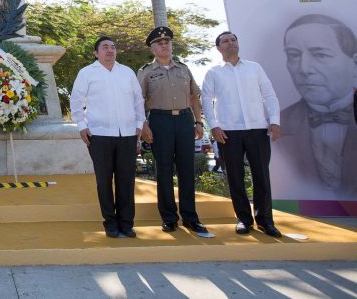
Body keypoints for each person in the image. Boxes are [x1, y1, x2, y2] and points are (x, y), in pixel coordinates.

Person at [202, 31, 283, 237]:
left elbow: (269, 94)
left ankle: (265, 220)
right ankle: (244, 219)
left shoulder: (255, 68)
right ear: (219, 48)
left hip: (258, 129)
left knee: (261, 176)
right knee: (235, 177)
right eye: (225, 42)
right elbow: (206, 101)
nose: (230, 44)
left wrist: (274, 121)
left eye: (233, 40)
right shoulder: (214, 72)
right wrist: (214, 126)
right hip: (229, 132)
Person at [70, 36, 145, 238]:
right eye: (105, 47)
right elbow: (76, 100)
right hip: (99, 134)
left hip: (127, 133)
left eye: (113, 46)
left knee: (126, 180)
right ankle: (110, 223)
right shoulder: (87, 73)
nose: (110, 50)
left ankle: (126, 223)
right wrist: (81, 125)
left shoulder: (127, 72)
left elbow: (138, 100)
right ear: (96, 53)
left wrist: (139, 124)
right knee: (104, 181)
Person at [137, 26, 207, 234]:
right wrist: (144, 124)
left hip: (185, 119)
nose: (164, 45)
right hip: (159, 120)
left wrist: (198, 122)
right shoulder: (145, 72)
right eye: (159, 43)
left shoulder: (184, 69)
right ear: (152, 49)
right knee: (164, 170)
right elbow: (138, 100)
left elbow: (194, 97)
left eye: (167, 42)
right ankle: (168, 217)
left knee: (187, 169)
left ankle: (190, 217)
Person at [278, 14, 357, 196]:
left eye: (320, 54)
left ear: (354, 63)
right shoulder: (278, 125)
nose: (304, 69)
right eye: (294, 55)